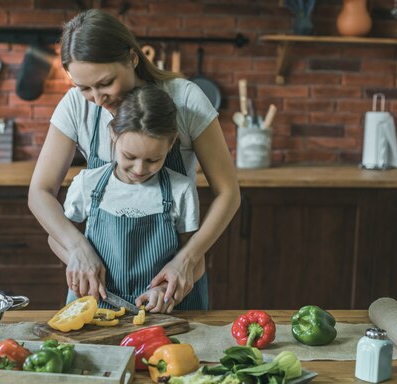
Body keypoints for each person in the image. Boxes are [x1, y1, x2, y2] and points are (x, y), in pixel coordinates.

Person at [28, 9, 240, 309]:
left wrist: (186, 261)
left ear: (132, 58)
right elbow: (40, 192)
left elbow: (228, 193)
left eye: (105, 83)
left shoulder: (186, 99)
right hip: (98, 292)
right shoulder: (76, 106)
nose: (97, 98)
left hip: (168, 288)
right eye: (84, 87)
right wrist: (77, 249)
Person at [61, 85, 206, 312]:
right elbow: (56, 237)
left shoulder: (181, 190)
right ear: (113, 134)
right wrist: (76, 257)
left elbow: (195, 260)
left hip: (158, 314)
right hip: (94, 309)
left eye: (153, 160)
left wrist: (165, 290)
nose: (139, 169)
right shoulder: (87, 184)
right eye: (129, 156)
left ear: (171, 143)